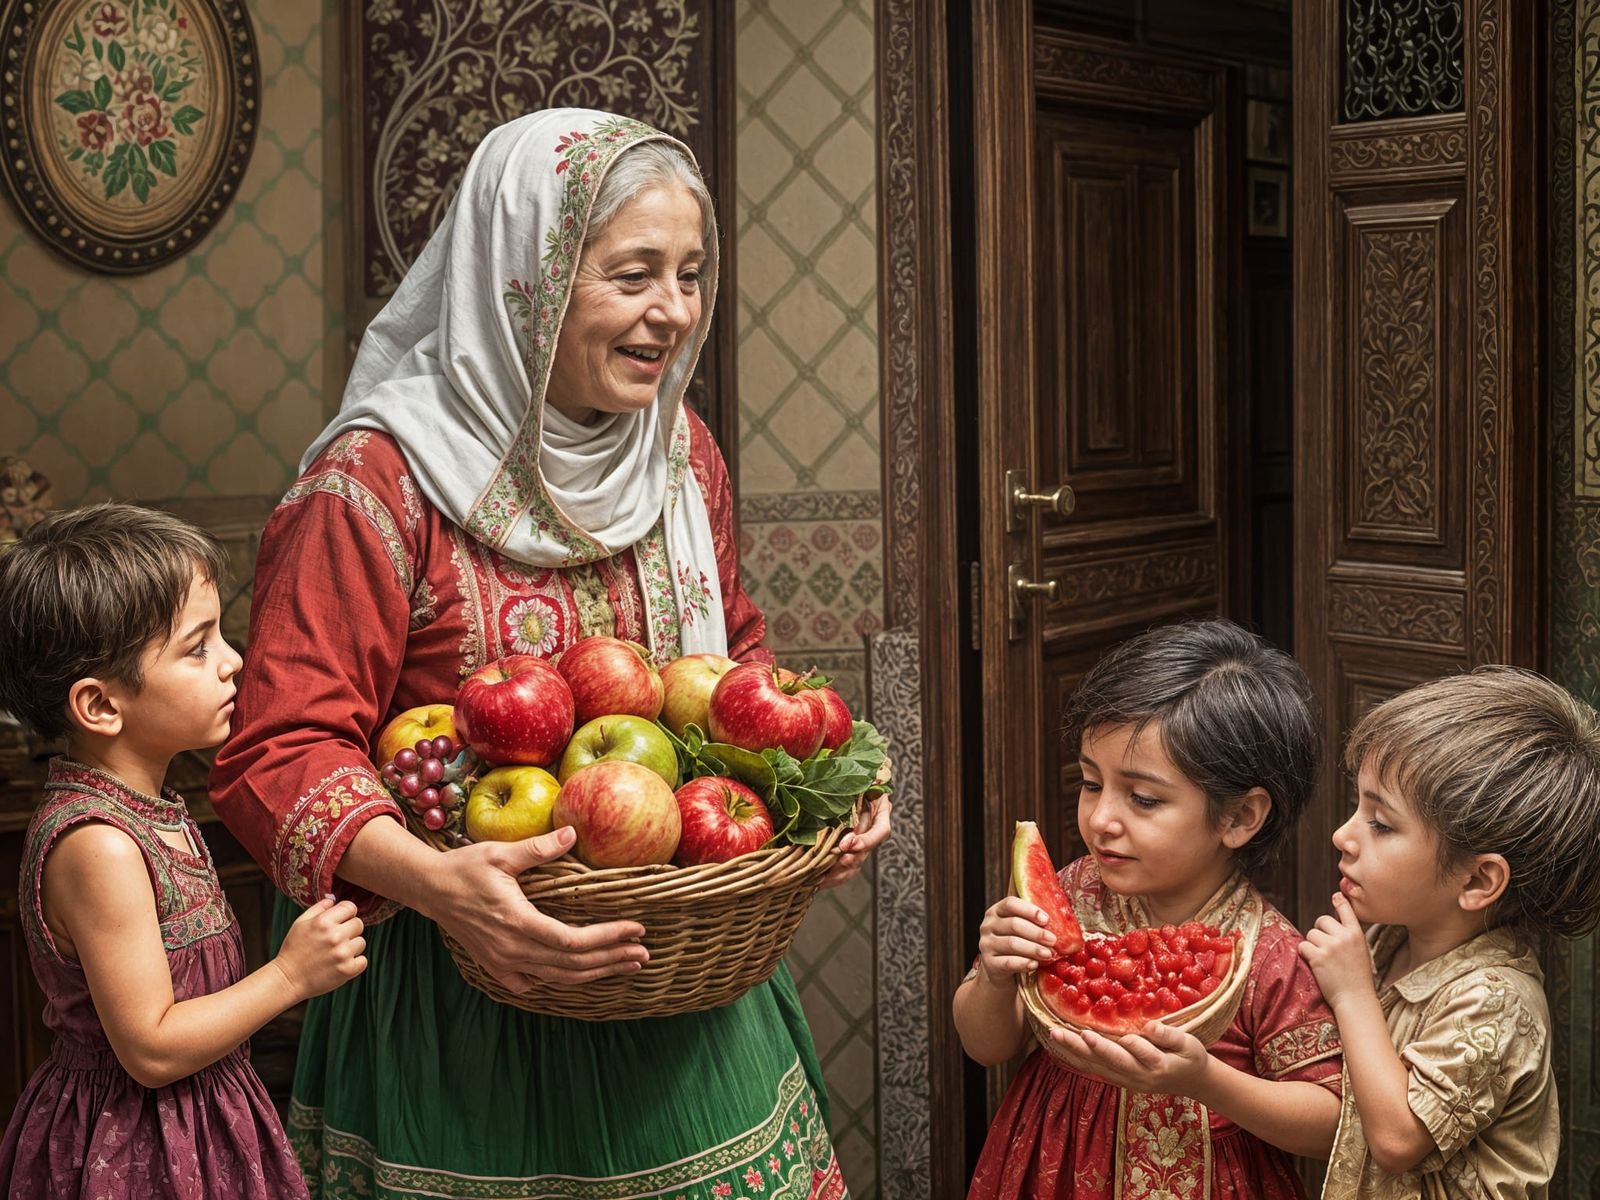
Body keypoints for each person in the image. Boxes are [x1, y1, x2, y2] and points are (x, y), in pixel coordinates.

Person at [209, 108, 891, 1199]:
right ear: (523, 279)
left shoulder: (679, 458)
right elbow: (277, 749)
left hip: (678, 994)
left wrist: (813, 788)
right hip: (457, 999)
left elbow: (736, 667)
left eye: (690, 273)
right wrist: (445, 887)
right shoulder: (377, 484)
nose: (671, 311)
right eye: (631, 275)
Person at [0, 503, 368, 1199]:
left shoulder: (154, 809)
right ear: (100, 706)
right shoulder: (99, 845)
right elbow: (152, 1047)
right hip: (136, 1150)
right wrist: (290, 976)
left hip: (198, 1125)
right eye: (197, 647)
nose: (233, 661)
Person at [955, 620, 1343, 1199]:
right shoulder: (1069, 891)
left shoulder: (1270, 954)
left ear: (1239, 817)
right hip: (1049, 1168)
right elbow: (985, 1046)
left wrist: (1207, 1081)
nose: (1101, 819)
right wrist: (992, 975)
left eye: (1142, 798)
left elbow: (1332, 1122)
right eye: (1091, 783)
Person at [1299, 667, 1600, 1196]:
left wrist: (1350, 993)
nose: (1342, 835)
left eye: (1382, 823)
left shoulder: (1497, 1000)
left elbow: (1396, 1139)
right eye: (1358, 806)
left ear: (1479, 879)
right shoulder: (1387, 938)